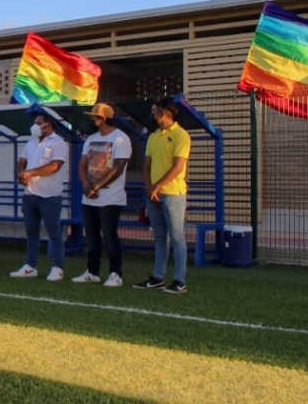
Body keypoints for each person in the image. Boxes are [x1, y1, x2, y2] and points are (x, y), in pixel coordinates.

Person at [135, 97, 192, 294]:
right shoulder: (153, 137)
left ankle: (179, 281)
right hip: (154, 196)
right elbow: (146, 166)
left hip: (173, 195)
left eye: (154, 110)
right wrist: (149, 187)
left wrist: (156, 186)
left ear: (164, 112)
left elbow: (178, 167)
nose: (152, 113)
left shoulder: (181, 135)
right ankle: (157, 277)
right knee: (160, 239)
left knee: (177, 238)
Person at [72, 102, 131, 288]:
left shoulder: (121, 138)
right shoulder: (91, 139)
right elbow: (82, 166)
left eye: (95, 116)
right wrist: (86, 185)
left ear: (104, 118)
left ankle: (116, 273)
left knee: (109, 235)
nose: (92, 119)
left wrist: (96, 186)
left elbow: (118, 168)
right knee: (91, 236)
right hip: (90, 196)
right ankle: (92, 272)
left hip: (110, 197)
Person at [11, 113, 69, 280]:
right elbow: (21, 161)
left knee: (54, 232)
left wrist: (30, 173)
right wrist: (21, 174)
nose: (35, 126)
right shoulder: (31, 142)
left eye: (38, 123)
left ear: (48, 124)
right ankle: (30, 266)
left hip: (50, 195)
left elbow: (55, 166)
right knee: (32, 233)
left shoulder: (58, 143)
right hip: (29, 194)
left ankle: (58, 267)